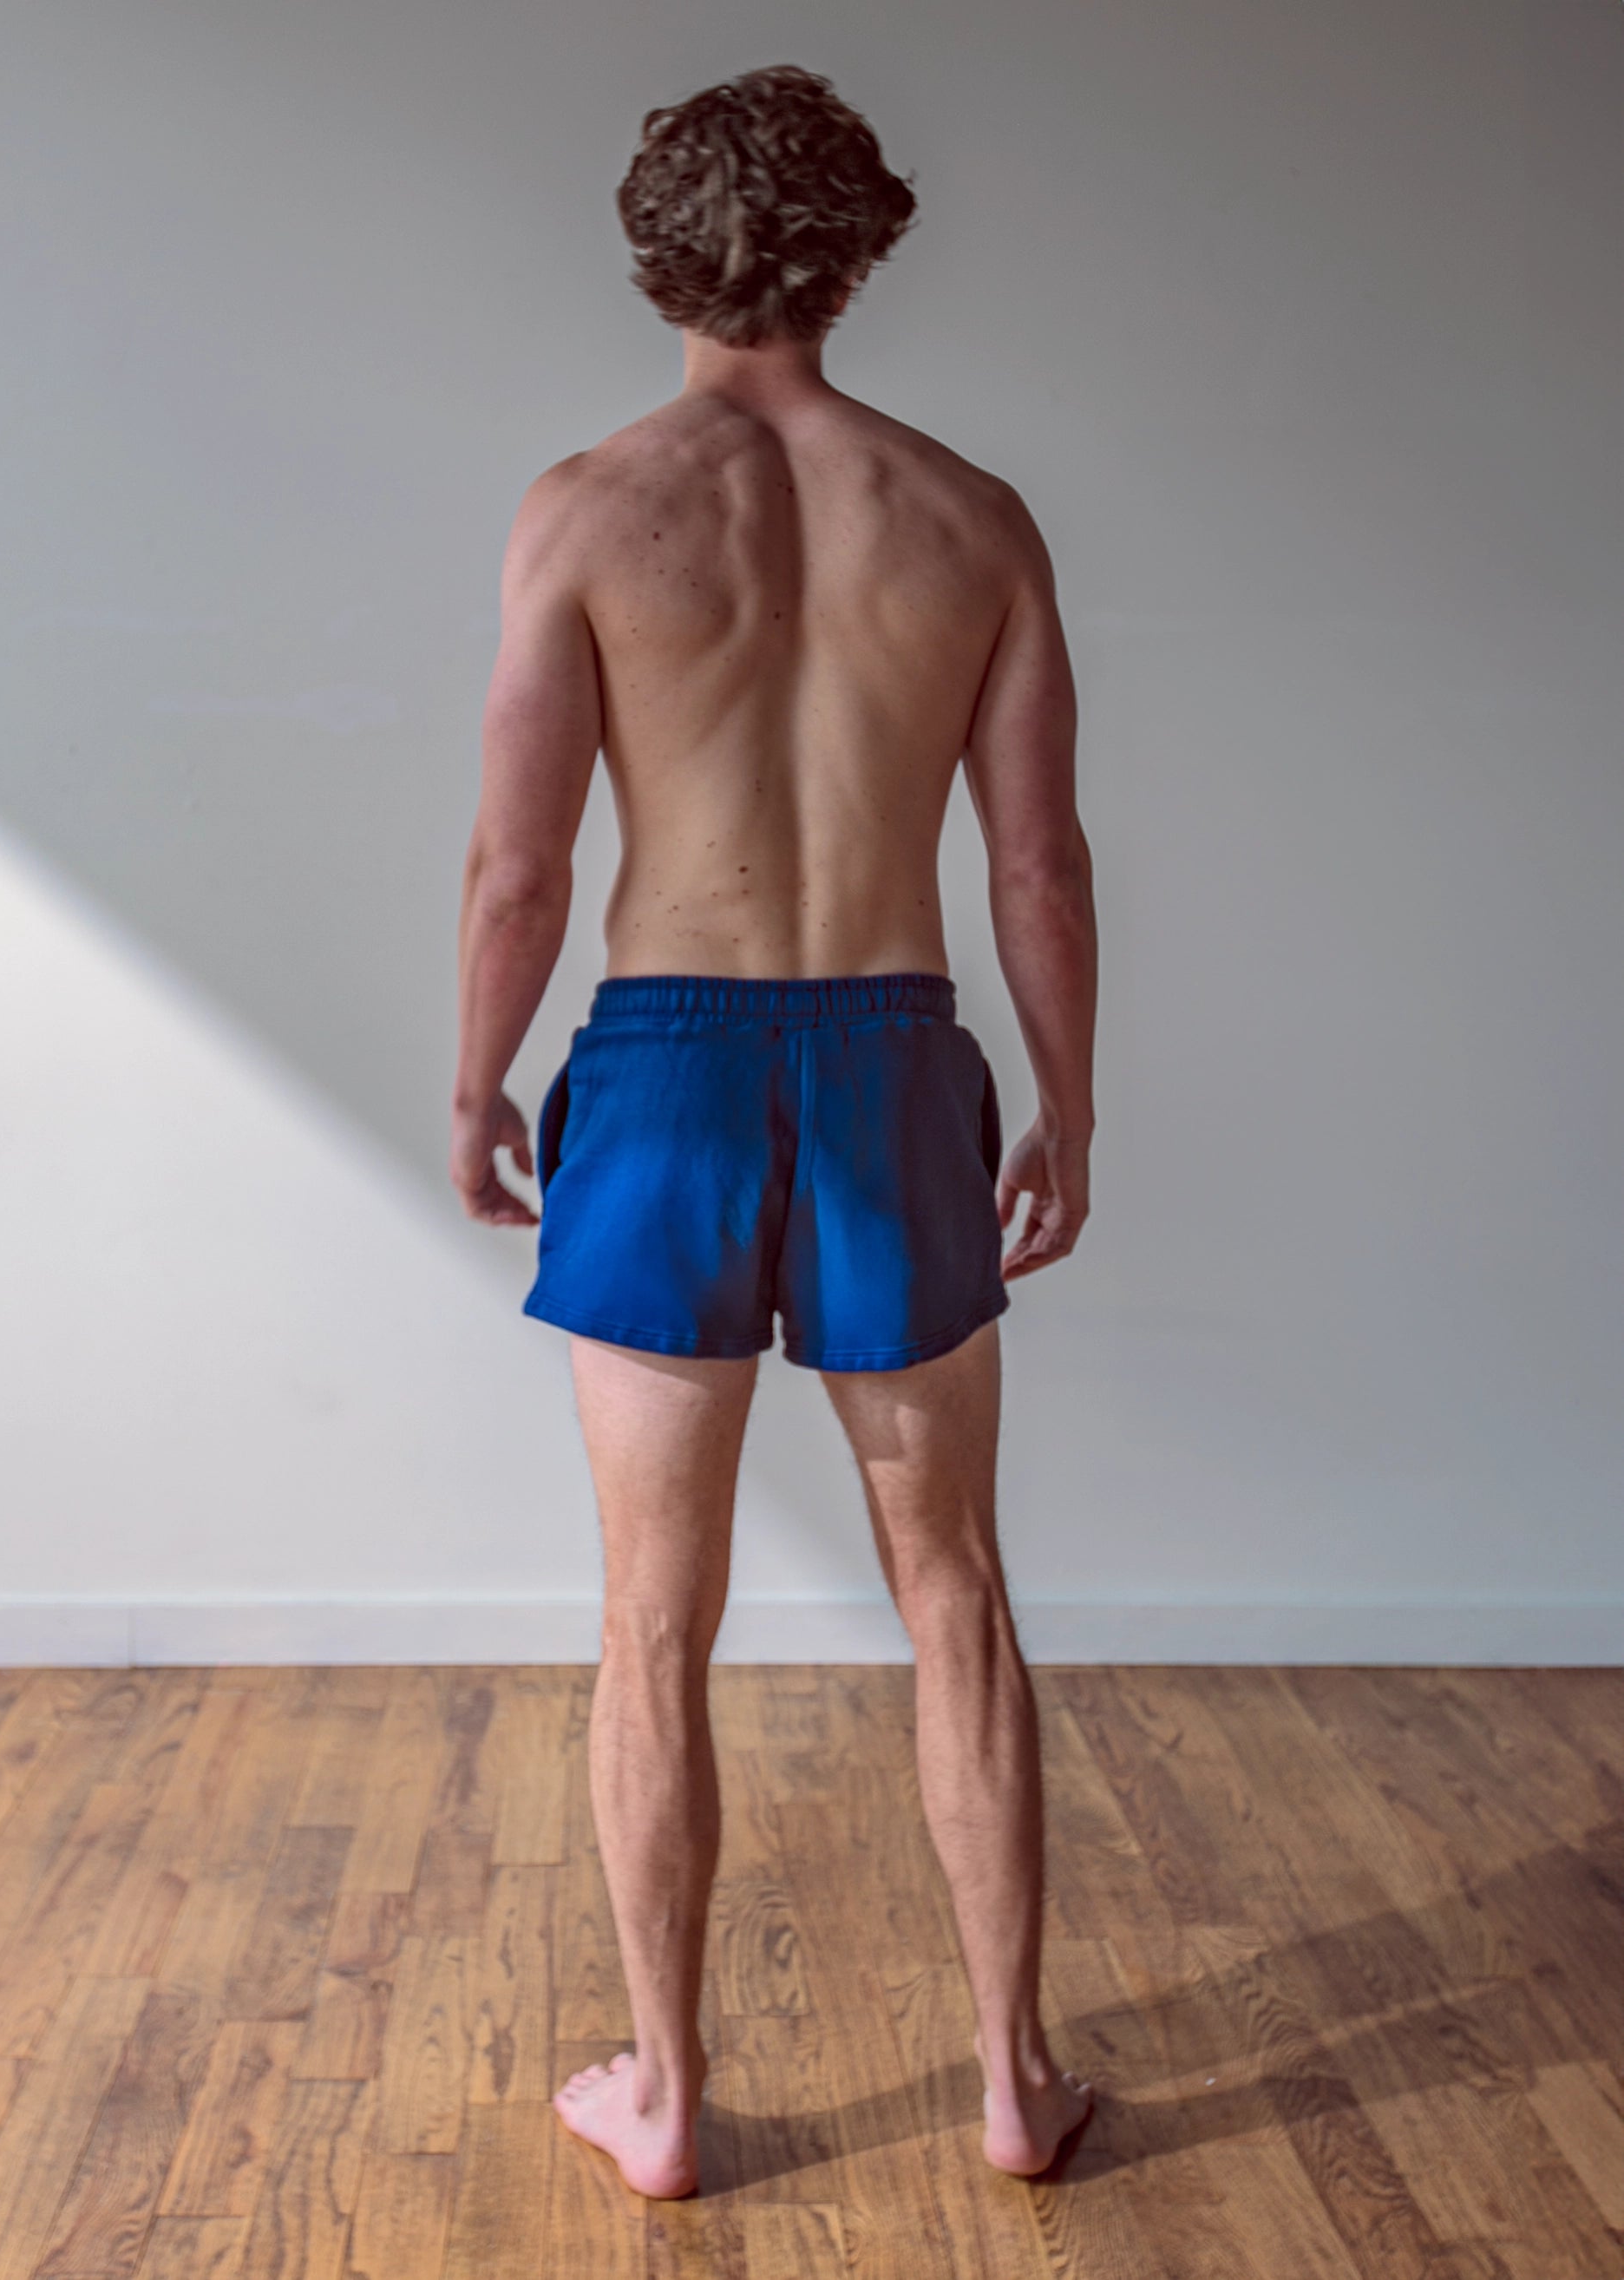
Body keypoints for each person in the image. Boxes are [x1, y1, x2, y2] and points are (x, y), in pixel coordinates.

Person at [449, 62, 1097, 2201]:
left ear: (658, 245)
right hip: (897, 1051)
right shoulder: (970, 516)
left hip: (660, 1063)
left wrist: (473, 1086)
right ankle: (1010, 2083)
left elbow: (520, 874)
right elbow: (1034, 871)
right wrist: (1068, 1098)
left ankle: (663, 2096)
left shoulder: (586, 507)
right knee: (957, 1601)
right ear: (862, 242)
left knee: (652, 1619)